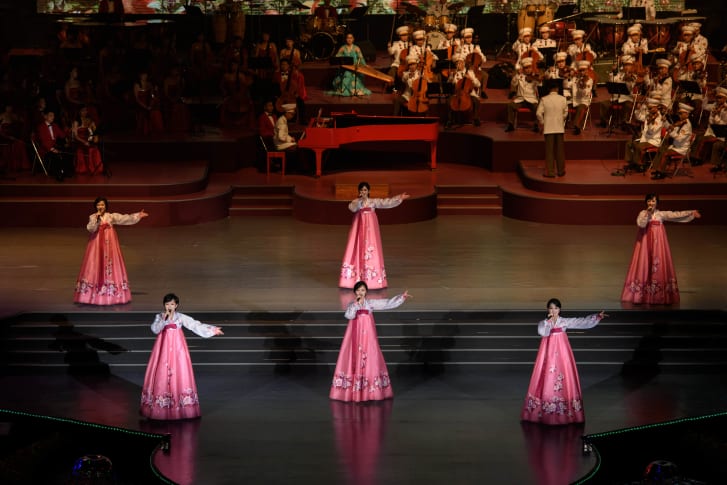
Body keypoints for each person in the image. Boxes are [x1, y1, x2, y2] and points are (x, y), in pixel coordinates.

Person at [521, 298, 607, 425]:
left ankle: (568, 413)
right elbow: (542, 332)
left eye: (556, 308)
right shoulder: (544, 323)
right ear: (547, 310)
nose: (554, 310)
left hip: (562, 355)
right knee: (546, 378)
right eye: (551, 308)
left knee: (564, 377)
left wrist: (597, 317)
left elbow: (581, 322)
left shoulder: (564, 322)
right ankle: (543, 412)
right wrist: (548, 322)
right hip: (547, 355)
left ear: (559, 310)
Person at [140, 293, 224, 420]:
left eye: (172, 304)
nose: (170, 306)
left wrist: (212, 330)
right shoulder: (160, 316)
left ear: (176, 305)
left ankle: (181, 407)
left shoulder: (180, 317)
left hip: (177, 349)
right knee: (162, 372)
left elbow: (195, 325)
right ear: (164, 305)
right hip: (163, 348)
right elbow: (155, 329)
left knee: (179, 372)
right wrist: (164, 319)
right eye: (167, 304)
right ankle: (160, 406)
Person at [330, 281, 411, 402]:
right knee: (355, 357)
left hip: (368, 336)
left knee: (370, 357)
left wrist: (401, 297)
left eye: (362, 290)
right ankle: (353, 389)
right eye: (358, 290)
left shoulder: (371, 303)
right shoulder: (352, 304)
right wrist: (357, 304)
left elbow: (386, 304)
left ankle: (371, 390)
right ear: (355, 292)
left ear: (366, 292)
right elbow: (349, 316)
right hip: (355, 336)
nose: (360, 292)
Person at [621, 194, 701, 305]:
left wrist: (691, 213)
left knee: (658, 265)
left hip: (658, 245)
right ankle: (641, 295)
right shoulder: (643, 213)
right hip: (645, 245)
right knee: (644, 265)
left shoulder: (661, 214)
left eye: (653, 201)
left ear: (657, 202)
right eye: (649, 201)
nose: (651, 203)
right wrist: (647, 214)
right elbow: (641, 224)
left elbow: (675, 215)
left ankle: (658, 295)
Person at [74, 197, 149, 305]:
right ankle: (91, 294)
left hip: (109, 245)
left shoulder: (111, 216)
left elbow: (124, 218)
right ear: (96, 206)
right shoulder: (93, 217)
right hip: (96, 245)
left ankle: (112, 292)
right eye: (99, 205)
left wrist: (137, 215)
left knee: (110, 265)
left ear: (106, 206)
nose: (101, 207)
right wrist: (96, 219)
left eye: (103, 205)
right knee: (95, 264)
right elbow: (91, 229)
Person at [340, 182, 410, 289]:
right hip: (359, 229)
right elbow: (351, 208)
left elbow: (386, 203)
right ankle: (354, 278)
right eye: (362, 190)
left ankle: (372, 279)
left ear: (368, 191)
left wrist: (399, 198)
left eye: (365, 190)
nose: (364, 192)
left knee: (371, 250)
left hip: (370, 230)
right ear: (359, 192)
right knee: (357, 248)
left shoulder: (373, 202)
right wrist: (360, 202)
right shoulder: (356, 202)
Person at [650, 103, 693, 179]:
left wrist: (670, 132)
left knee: (665, 153)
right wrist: (665, 121)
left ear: (687, 114)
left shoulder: (687, 125)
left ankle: (661, 172)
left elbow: (679, 139)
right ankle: (657, 169)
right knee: (661, 149)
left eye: (681, 113)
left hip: (681, 149)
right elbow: (671, 127)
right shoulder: (681, 122)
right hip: (675, 146)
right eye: (679, 113)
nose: (679, 115)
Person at [536, 79, 568, 177]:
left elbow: (538, 113)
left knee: (549, 151)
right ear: (557, 89)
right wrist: (561, 119)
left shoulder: (544, 99)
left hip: (548, 128)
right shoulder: (563, 99)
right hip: (559, 127)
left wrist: (542, 122)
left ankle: (550, 172)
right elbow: (565, 113)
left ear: (549, 89)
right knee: (560, 150)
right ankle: (561, 171)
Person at [624, 98, 663, 170]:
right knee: (629, 143)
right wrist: (638, 109)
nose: (649, 110)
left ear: (656, 108)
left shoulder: (659, 118)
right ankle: (630, 162)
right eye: (648, 108)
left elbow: (652, 131)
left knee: (638, 146)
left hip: (652, 141)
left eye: (650, 108)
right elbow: (639, 117)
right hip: (645, 138)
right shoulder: (649, 114)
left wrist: (651, 121)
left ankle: (638, 164)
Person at [35, 108, 74, 181]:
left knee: (69, 151)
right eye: (50, 116)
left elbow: (62, 135)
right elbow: (43, 142)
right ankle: (58, 174)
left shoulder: (55, 125)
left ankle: (66, 171)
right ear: (45, 116)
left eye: (53, 116)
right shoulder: (41, 127)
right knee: (56, 155)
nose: (53, 117)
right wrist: (52, 149)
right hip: (45, 149)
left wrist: (68, 131)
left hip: (54, 146)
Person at [506, 57, 541, 132]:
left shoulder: (534, 76)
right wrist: (517, 75)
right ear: (523, 69)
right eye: (526, 68)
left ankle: (536, 125)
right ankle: (510, 124)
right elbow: (513, 83)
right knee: (510, 105)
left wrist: (537, 77)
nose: (528, 70)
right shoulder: (519, 76)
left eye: (529, 68)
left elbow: (540, 84)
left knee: (537, 107)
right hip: (520, 99)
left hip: (531, 99)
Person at [72, 106, 103, 175]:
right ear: (79, 112)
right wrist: (84, 142)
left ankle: (96, 168)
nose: (85, 112)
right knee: (90, 149)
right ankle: (88, 168)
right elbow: (75, 136)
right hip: (79, 141)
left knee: (95, 149)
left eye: (86, 110)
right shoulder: (76, 122)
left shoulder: (88, 120)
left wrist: (93, 126)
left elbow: (92, 132)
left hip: (87, 141)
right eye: (83, 111)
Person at [570, 60, 593, 135]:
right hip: (573, 100)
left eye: (584, 70)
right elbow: (567, 85)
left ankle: (577, 126)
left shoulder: (589, 80)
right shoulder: (574, 79)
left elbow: (585, 94)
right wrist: (568, 76)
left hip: (583, 101)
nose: (582, 72)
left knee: (581, 108)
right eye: (580, 70)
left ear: (587, 71)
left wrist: (582, 85)